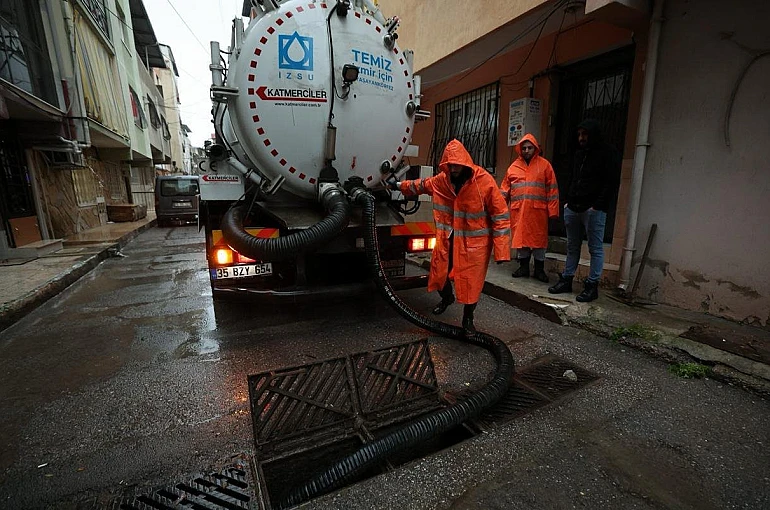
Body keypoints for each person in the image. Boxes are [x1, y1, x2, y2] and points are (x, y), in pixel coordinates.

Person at [387, 139, 511, 334]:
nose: (453, 169)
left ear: (465, 163)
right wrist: (397, 185)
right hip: (447, 238)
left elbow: (501, 216)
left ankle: (468, 318)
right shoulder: (442, 181)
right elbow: (420, 185)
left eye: (456, 165)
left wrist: (502, 251)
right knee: (439, 272)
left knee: (471, 281)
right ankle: (447, 298)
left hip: (474, 244)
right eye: (450, 165)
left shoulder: (484, 182)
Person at [549, 118, 621, 302]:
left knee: (595, 248)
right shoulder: (579, 154)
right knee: (572, 246)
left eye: (585, 134)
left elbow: (610, 182)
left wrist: (597, 205)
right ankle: (567, 279)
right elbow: (572, 178)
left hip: (593, 210)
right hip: (573, 207)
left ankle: (591, 285)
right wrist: (567, 201)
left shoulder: (607, 153)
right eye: (579, 134)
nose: (581, 138)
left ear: (593, 134)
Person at [500, 134, 559, 283]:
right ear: (520, 149)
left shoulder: (545, 166)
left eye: (529, 147)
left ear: (535, 148)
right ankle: (524, 267)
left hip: (538, 212)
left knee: (539, 243)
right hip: (519, 211)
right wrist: (499, 208)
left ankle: (539, 270)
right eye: (524, 148)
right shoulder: (513, 168)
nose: (526, 150)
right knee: (522, 241)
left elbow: (552, 190)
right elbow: (504, 190)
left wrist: (553, 211)